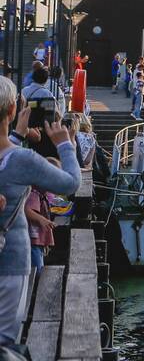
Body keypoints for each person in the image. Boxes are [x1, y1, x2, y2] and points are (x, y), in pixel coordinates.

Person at [0, 76, 81, 349]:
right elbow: (70, 183)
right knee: (5, 341)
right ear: (12, 111)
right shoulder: (22, 159)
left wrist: (18, 135)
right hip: (9, 261)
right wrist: (64, 144)